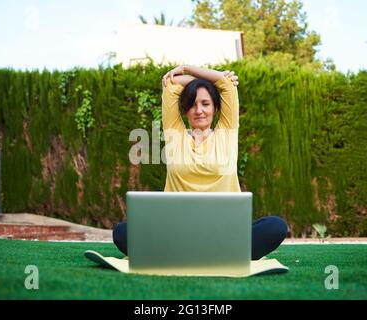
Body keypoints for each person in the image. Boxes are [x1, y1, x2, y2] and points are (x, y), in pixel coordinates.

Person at [113, 65, 287, 260]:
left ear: (216, 108)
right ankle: (211, 254)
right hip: (178, 232)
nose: (199, 110)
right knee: (122, 231)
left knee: (275, 226)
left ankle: (183, 254)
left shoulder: (226, 133)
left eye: (205, 103)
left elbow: (227, 86)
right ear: (185, 110)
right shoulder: (175, 135)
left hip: (224, 231)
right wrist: (211, 81)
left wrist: (187, 68)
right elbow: (171, 84)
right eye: (192, 104)